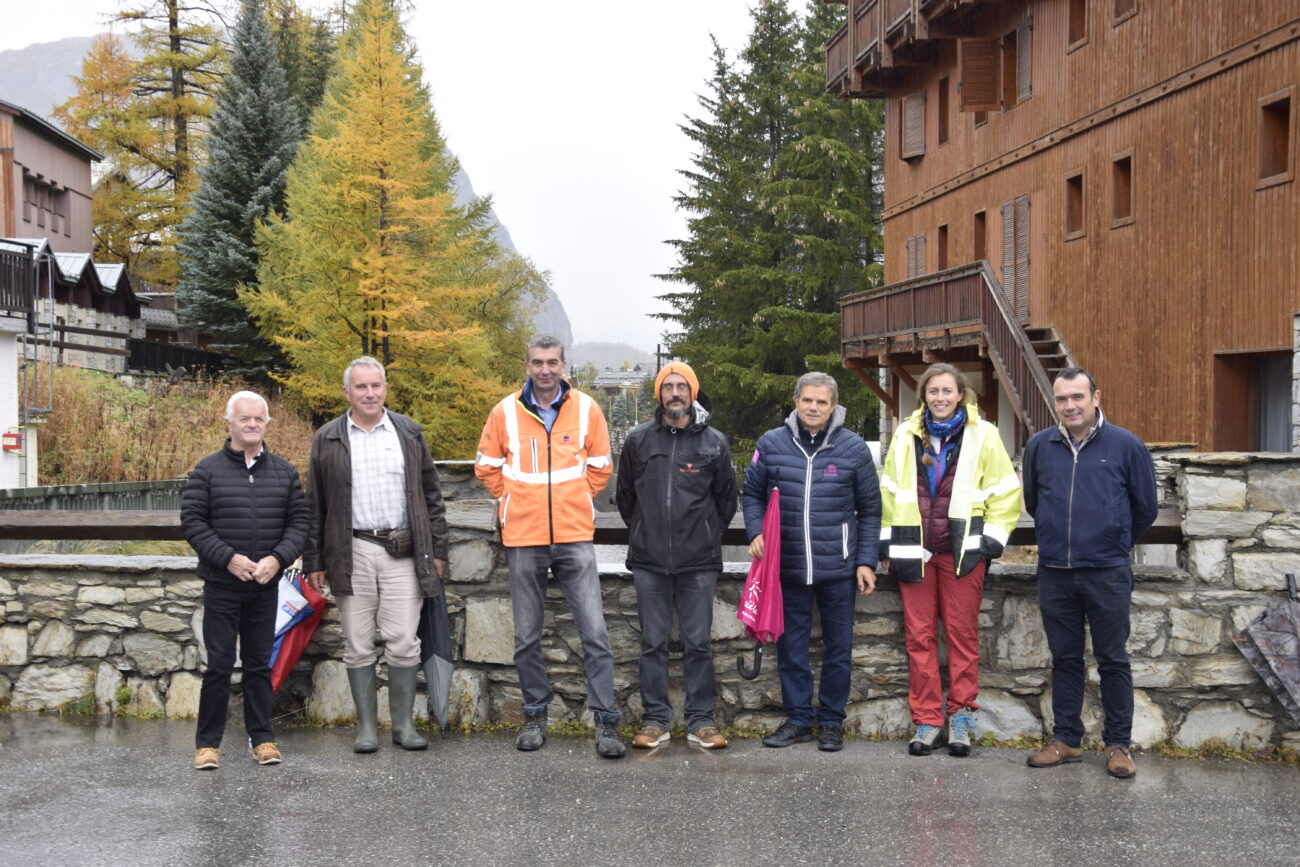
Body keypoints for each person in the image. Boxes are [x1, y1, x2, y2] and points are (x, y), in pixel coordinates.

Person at [475, 335, 625, 758]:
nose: (545, 369)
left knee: (595, 631)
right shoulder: (504, 411)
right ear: (526, 364)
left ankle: (606, 721)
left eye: (552, 362)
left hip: (574, 535)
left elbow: (600, 467)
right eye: (537, 362)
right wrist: (514, 499)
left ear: (563, 365)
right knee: (526, 635)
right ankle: (535, 714)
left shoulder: (586, 408)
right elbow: (486, 467)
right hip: (523, 537)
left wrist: (575, 498)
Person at [303, 357, 449, 754]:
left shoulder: (408, 433)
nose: (370, 393)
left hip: (403, 550)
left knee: (403, 640)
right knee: (357, 641)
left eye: (376, 386)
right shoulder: (328, 438)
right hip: (351, 551)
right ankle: (366, 728)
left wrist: (436, 551)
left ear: (386, 388)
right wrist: (313, 560)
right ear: (347, 392)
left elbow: (433, 498)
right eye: (361, 387)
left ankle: (402, 726)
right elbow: (314, 506)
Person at [878, 363, 1021, 758]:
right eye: (933, 391)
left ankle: (960, 717)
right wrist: (887, 547)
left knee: (962, 636)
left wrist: (988, 544)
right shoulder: (905, 435)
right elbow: (889, 496)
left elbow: (1006, 494)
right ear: (924, 395)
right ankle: (927, 720)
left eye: (947, 391)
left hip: (962, 554)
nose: (940, 398)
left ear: (961, 394)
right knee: (919, 638)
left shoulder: (984, 435)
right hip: (914, 552)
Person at [1022, 367, 1157, 779]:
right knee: (1064, 659)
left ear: (1096, 397)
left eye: (1077, 397)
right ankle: (1066, 740)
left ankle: (1118, 745)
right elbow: (1033, 499)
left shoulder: (1125, 445)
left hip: (1107, 571)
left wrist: (1113, 544)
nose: (1070, 406)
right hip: (1056, 572)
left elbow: (1146, 508)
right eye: (1062, 399)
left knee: (1112, 659)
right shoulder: (1039, 446)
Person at [743, 372, 881, 752]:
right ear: (796, 400)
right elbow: (751, 494)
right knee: (791, 650)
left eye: (821, 402)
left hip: (837, 569)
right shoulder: (771, 444)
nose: (814, 408)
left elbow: (870, 510)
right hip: (785, 567)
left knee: (839, 649)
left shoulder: (853, 449)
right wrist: (755, 531)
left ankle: (832, 721)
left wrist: (866, 560)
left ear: (833, 405)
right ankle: (800, 718)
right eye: (807, 401)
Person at [182, 391, 307, 770]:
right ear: (230, 423)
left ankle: (263, 738)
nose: (252, 424)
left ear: (266, 424)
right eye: (244, 419)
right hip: (222, 585)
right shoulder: (206, 471)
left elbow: (299, 524)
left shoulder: (284, 472)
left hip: (265, 586)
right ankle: (208, 745)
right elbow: (193, 523)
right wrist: (228, 559)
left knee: (258, 666)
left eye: (258, 419)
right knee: (218, 666)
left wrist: (278, 559)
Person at [616, 362, 737, 750]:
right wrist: (646, 529)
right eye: (667, 386)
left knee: (698, 643)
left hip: (698, 561)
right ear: (659, 394)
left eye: (681, 386)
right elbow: (625, 499)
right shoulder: (638, 441)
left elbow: (726, 501)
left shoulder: (714, 443)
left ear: (693, 392)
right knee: (652, 643)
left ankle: (701, 720)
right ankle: (656, 720)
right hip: (649, 560)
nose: (674, 393)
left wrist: (703, 535)